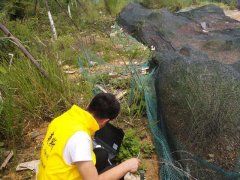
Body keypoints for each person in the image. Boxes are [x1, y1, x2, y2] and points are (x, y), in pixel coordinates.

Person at [37, 93, 140, 180]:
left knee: (102, 154)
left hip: (48, 174)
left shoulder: (62, 119)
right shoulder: (80, 138)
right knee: (116, 172)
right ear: (105, 121)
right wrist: (127, 165)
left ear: (89, 105)